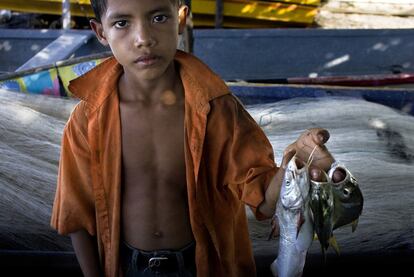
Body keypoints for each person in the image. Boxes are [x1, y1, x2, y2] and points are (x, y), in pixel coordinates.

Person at [50, 0, 338, 276]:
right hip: (127, 267)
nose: (143, 38)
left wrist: (296, 164)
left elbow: (262, 200)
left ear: (181, 19)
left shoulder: (218, 110)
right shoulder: (88, 120)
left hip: (207, 266)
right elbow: (76, 216)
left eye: (159, 17)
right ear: (101, 32)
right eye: (122, 22)